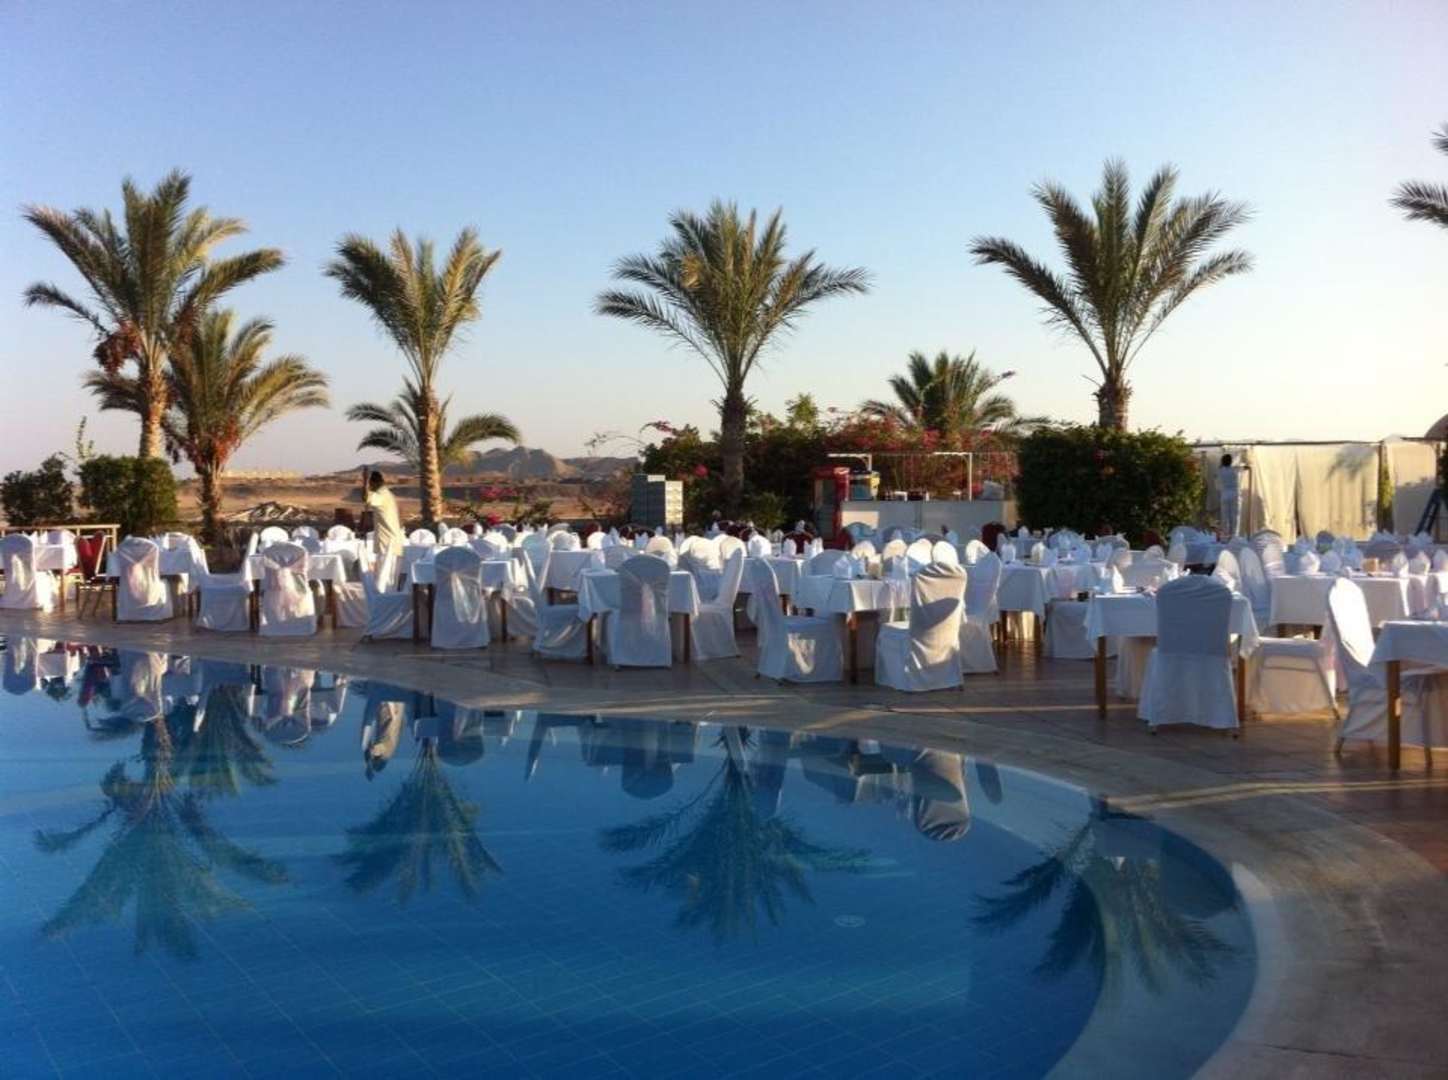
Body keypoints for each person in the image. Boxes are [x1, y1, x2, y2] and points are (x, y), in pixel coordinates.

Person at [361, 469, 403, 558]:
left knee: (384, 567)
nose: (370, 487)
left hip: (386, 544)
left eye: (370, 484)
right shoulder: (388, 494)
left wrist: (365, 482)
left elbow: (365, 498)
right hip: (392, 542)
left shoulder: (381, 495)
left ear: (374, 483)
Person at [1218, 453, 1241, 538]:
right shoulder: (1234, 469)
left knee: (1225, 516)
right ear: (1231, 461)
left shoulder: (1220, 470)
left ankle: (1225, 536)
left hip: (1224, 494)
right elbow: (1243, 468)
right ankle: (1234, 536)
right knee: (1234, 516)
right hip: (1234, 494)